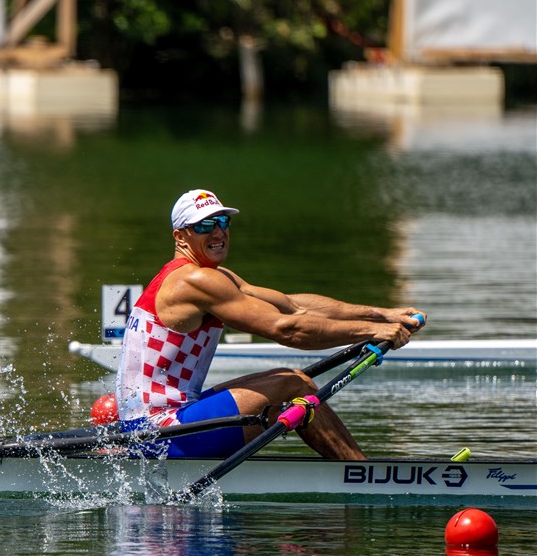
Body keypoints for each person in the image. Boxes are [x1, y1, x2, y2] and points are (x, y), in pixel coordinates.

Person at [115, 189, 425, 460]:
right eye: (205, 225)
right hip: (159, 433)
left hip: (160, 423)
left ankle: (354, 469)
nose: (218, 232)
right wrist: (373, 332)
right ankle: (361, 474)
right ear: (180, 236)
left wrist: (381, 315)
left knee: (288, 385)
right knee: (294, 385)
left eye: (224, 222)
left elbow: (293, 305)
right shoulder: (195, 280)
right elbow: (286, 329)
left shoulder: (212, 276)